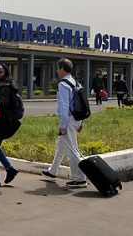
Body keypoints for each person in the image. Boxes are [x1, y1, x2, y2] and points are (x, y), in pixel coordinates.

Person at [42, 58, 87, 188]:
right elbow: (82, 102)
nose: (57, 71)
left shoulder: (63, 84)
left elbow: (64, 107)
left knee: (72, 151)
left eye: (57, 68)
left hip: (69, 120)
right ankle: (52, 172)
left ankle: (80, 179)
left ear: (62, 69)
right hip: (77, 119)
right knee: (60, 146)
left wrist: (63, 126)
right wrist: (81, 122)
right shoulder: (75, 82)